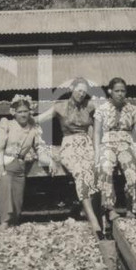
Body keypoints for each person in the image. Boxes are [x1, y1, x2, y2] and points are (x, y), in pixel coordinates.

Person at [35, 77, 102, 238]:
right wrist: (20, 119)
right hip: (69, 146)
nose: (81, 94)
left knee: (94, 171)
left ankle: (93, 212)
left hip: (87, 145)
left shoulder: (90, 106)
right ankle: (93, 220)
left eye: (84, 92)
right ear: (71, 89)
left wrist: (96, 151)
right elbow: (38, 119)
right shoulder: (60, 107)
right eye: (79, 90)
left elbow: (97, 128)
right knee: (80, 172)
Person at [0, 94, 57, 227]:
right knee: (5, 186)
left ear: (30, 112)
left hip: (20, 168)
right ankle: (4, 222)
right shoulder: (7, 124)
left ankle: (12, 223)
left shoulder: (33, 129)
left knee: (17, 205)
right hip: (5, 164)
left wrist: (50, 161)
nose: (23, 114)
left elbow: (40, 151)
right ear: (14, 113)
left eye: (25, 111)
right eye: (20, 112)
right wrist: (1, 170)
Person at [94, 77, 136, 238]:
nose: (120, 94)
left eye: (123, 91)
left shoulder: (132, 109)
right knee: (105, 168)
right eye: (117, 90)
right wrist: (97, 153)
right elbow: (96, 133)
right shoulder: (102, 109)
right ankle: (109, 209)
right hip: (107, 143)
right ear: (110, 91)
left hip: (125, 144)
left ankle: (131, 209)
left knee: (131, 172)